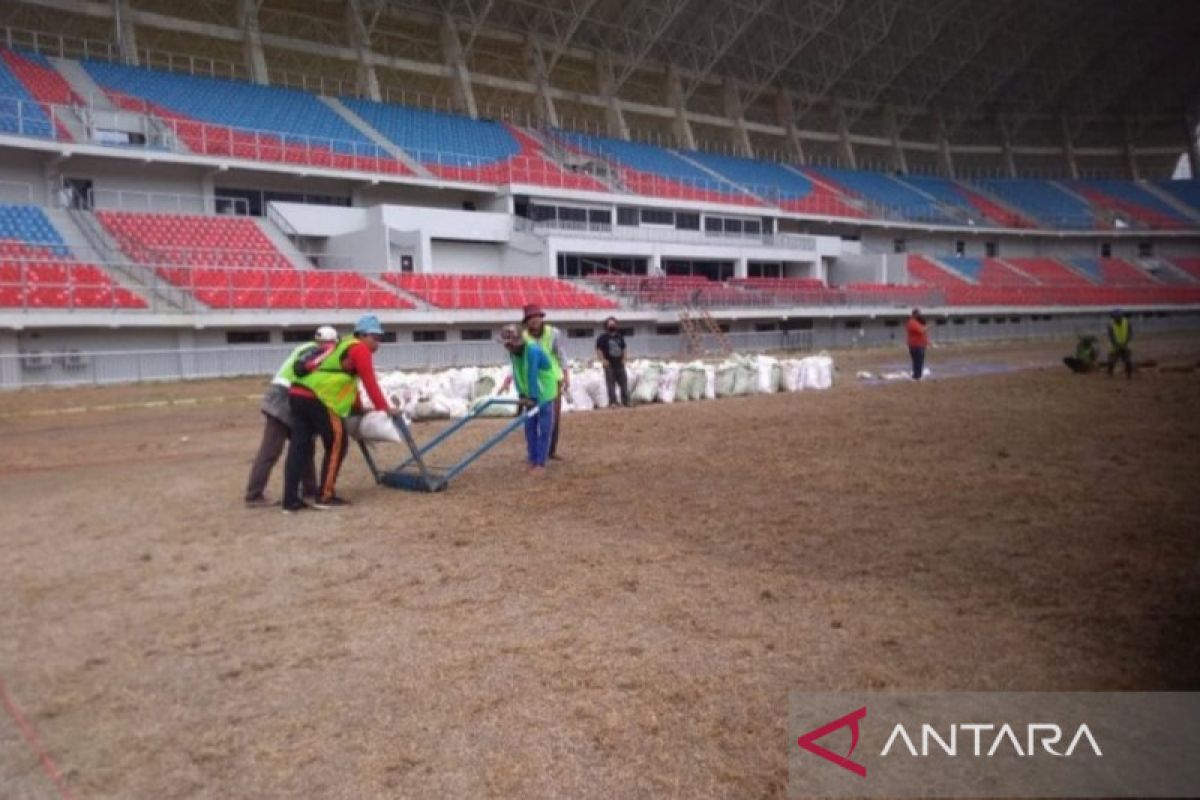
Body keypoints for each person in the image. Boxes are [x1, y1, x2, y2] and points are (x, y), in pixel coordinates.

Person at [282, 314, 399, 512]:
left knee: (298, 448)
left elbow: (348, 382)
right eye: (374, 337)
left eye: (380, 338)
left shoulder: (342, 345)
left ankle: (290, 501)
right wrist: (385, 408)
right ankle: (325, 496)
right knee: (338, 442)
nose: (378, 342)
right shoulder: (359, 349)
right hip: (320, 398)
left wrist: (360, 408)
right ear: (362, 335)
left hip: (298, 394)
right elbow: (369, 381)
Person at [244, 325, 338, 507]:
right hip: (285, 396)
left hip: (282, 394)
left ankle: (310, 489)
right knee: (271, 449)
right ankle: (254, 495)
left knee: (303, 444)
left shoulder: (306, 347)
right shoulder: (318, 352)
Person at [500, 324, 558, 474]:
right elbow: (518, 373)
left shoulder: (532, 350)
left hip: (544, 391)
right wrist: (521, 394)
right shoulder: (514, 353)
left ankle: (540, 463)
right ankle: (532, 457)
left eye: (511, 344)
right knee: (529, 426)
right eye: (507, 345)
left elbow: (532, 374)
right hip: (529, 392)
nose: (509, 348)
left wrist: (533, 397)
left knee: (544, 427)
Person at [521, 304, 569, 459]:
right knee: (531, 418)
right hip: (532, 382)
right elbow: (519, 361)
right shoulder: (523, 337)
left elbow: (561, 354)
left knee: (552, 418)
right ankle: (534, 452)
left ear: (542, 318)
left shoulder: (553, 333)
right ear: (526, 321)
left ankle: (550, 450)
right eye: (530, 318)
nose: (534, 320)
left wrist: (566, 375)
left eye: (537, 317)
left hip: (552, 380)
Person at [595, 317, 630, 408]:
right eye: (610, 324)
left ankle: (626, 402)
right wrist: (603, 360)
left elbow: (624, 348)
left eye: (613, 324)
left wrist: (624, 359)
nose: (612, 325)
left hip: (620, 363)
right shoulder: (602, 337)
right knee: (611, 385)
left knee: (624, 383)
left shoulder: (620, 336)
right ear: (606, 326)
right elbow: (599, 350)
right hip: (609, 364)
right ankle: (613, 403)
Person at [1106, 309, 1133, 380]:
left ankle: (1129, 375)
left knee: (1127, 361)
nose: (1117, 319)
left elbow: (1130, 333)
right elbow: (1111, 336)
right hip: (1115, 345)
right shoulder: (1110, 325)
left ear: (1121, 316)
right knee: (1111, 361)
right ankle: (1110, 373)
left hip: (1125, 344)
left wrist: (1126, 342)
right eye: (1115, 317)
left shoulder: (1127, 322)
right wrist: (1116, 344)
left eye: (1118, 317)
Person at [906, 308, 929, 380]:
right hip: (916, 345)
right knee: (918, 361)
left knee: (918, 361)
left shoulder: (916, 322)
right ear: (915, 314)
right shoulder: (912, 322)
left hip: (918, 345)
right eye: (918, 314)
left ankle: (917, 375)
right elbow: (921, 331)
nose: (920, 315)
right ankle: (917, 376)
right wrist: (928, 327)